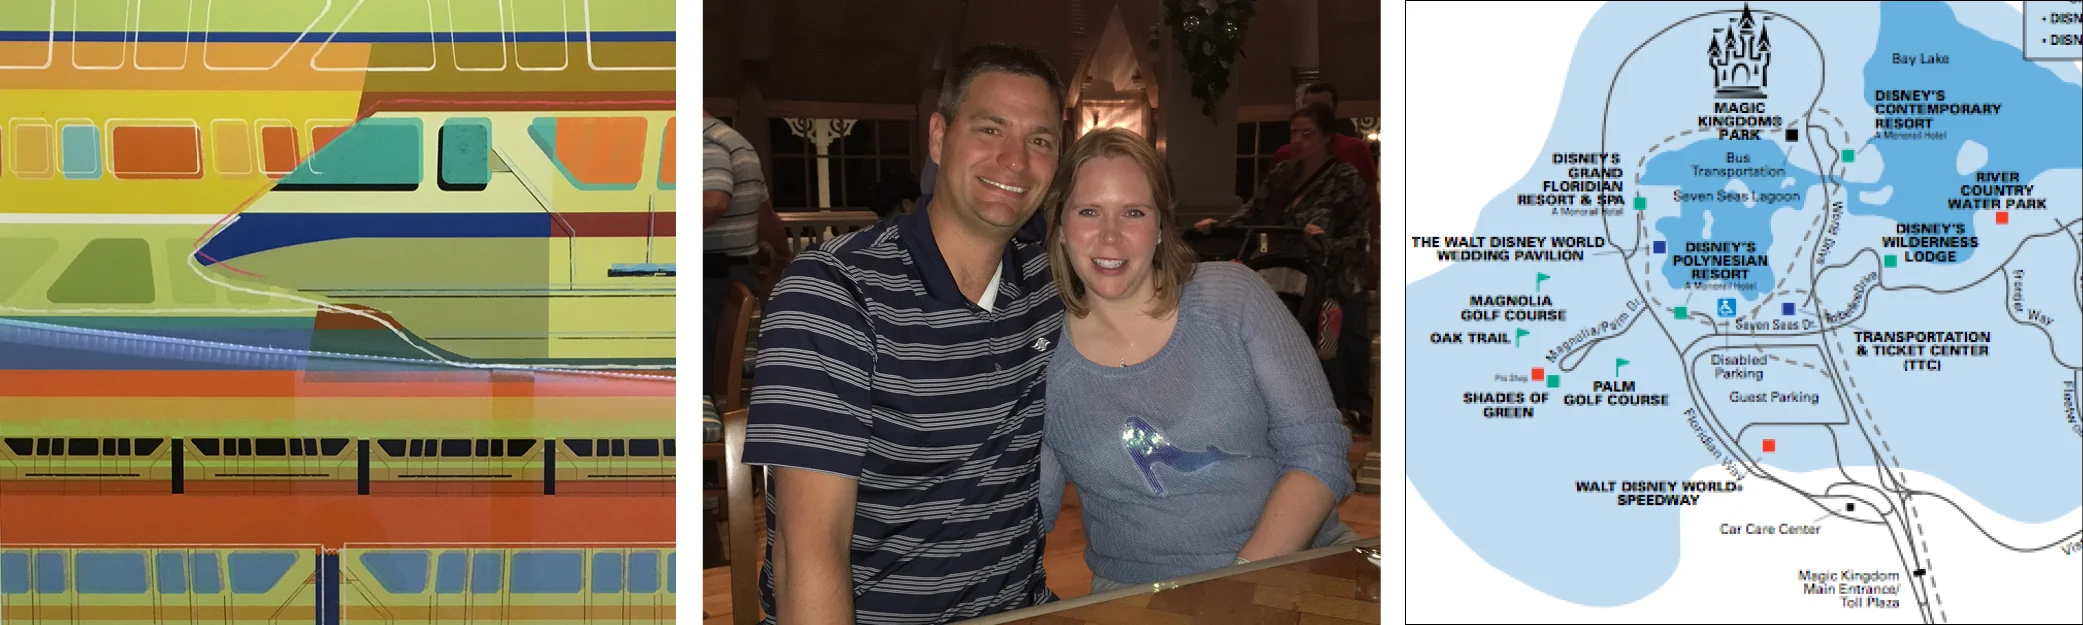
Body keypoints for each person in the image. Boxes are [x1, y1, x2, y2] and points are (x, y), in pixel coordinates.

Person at [741, 43, 1069, 625]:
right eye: (991, 129)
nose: (1015, 160)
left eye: (1039, 140)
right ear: (939, 138)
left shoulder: (1051, 285)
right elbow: (806, 550)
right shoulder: (833, 292)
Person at [1037, 128, 1358, 593]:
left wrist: (1235, 588)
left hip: (1297, 566)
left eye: (1133, 212)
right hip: (1137, 596)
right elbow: (1027, 511)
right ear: (1061, 227)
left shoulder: (1232, 297)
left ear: (1161, 227)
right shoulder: (1040, 357)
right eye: (1089, 211)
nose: (1110, 235)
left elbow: (1318, 451)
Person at [1195, 103, 1376, 434]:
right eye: (1295, 132)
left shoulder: (1345, 178)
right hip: (1290, 271)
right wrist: (1218, 226)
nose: (1299, 140)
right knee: (1284, 336)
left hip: (1336, 272)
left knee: (1341, 341)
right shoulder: (1283, 174)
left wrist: (1325, 239)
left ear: (1326, 137)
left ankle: (1353, 406)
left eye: (1308, 134)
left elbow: (1357, 232)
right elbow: (1254, 211)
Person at [704, 113, 771, 398]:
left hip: (712, 274)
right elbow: (766, 215)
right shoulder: (736, 141)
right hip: (733, 271)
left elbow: (713, 201)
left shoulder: (704, 138)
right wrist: (781, 257)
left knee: (704, 372)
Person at [1269, 83, 1375, 187]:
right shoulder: (1283, 157)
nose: (1315, 115)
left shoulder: (1356, 148)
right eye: (1309, 109)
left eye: (1322, 109)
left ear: (1334, 111)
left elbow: (1370, 194)